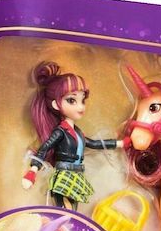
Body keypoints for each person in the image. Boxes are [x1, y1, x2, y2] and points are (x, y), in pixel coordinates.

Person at [22, 61, 129, 210]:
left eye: (82, 100)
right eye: (72, 100)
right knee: (65, 212)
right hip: (64, 174)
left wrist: (119, 143)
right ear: (56, 104)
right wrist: (32, 171)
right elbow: (45, 147)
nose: (81, 106)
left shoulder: (77, 132)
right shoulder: (60, 131)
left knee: (73, 212)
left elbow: (93, 143)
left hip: (77, 174)